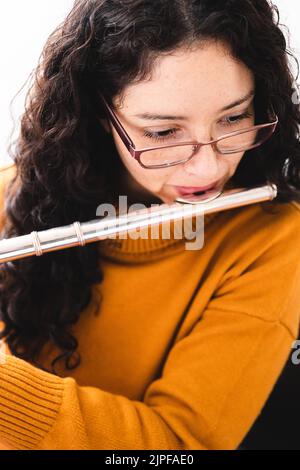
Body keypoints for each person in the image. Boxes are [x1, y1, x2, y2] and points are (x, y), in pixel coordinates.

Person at [0, 0, 300, 451]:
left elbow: (179, 448)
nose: (207, 170)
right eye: (162, 133)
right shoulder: (12, 194)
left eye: (235, 117)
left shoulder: (274, 239)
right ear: (101, 114)